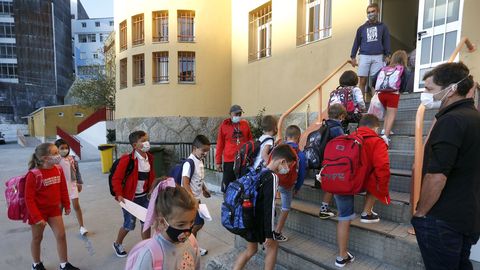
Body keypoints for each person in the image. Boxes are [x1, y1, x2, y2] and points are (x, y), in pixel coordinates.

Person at [412, 62, 480, 270]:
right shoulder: (474, 118)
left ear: (451, 89)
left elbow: (437, 176)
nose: (425, 94)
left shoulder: (450, 121)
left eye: (430, 89)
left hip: (442, 220)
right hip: (467, 216)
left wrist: (421, 213)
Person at [333, 114, 390, 268]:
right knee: (377, 177)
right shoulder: (377, 141)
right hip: (361, 182)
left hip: (340, 180)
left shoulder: (348, 138)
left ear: (359, 126)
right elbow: (383, 169)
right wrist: (383, 192)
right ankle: (367, 212)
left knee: (343, 217)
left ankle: (341, 256)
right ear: (376, 127)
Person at [233, 144, 297, 270]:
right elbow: (269, 207)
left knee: (250, 250)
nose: (288, 169)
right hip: (259, 221)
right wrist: (269, 234)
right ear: (282, 161)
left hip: (248, 217)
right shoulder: (272, 177)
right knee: (273, 246)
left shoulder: (259, 169)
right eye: (288, 165)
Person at [25, 143, 80, 270]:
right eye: (55, 153)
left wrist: (66, 205)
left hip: (54, 210)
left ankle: (64, 264)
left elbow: (62, 189)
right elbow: (29, 199)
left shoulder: (58, 169)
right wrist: (37, 217)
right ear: (45, 158)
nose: (58, 155)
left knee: (61, 235)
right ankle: (36, 264)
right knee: (37, 238)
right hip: (38, 213)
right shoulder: (33, 174)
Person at [128, 178, 200, 269]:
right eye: (181, 224)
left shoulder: (192, 242)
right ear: (162, 222)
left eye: (192, 222)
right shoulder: (149, 255)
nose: (188, 230)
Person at [112, 130, 155, 257]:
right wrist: (119, 194)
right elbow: (116, 178)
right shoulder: (127, 160)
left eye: (147, 139)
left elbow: (151, 176)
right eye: (143, 141)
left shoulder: (150, 158)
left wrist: (153, 190)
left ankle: (146, 247)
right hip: (129, 199)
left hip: (144, 196)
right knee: (129, 224)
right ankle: (117, 243)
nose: (146, 143)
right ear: (135, 145)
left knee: (146, 223)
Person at [273, 125, 307, 242]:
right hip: (288, 185)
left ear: (286, 137)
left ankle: (268, 227)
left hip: (274, 181)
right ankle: (277, 232)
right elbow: (302, 174)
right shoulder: (300, 154)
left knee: (271, 204)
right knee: (285, 207)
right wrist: (297, 187)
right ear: (299, 138)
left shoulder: (279, 149)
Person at [350, 3, 391, 99]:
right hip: (364, 56)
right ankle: (360, 103)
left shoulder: (383, 27)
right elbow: (356, 42)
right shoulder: (361, 28)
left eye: (373, 11)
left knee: (376, 81)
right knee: (362, 80)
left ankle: (375, 103)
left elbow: (386, 41)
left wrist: (388, 54)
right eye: (368, 12)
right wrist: (353, 56)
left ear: (378, 12)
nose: (370, 14)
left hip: (378, 56)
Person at [181, 135, 212, 256]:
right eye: (203, 150)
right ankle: (188, 247)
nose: (205, 153)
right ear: (195, 148)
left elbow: (198, 177)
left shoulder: (199, 161)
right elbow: (185, 182)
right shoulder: (189, 163)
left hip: (195, 199)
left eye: (207, 151)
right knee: (198, 224)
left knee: (195, 224)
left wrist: (204, 189)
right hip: (188, 201)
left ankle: (192, 247)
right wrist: (192, 199)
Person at [318, 103, 347, 219]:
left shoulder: (325, 125)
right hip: (334, 161)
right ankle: (325, 210)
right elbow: (342, 144)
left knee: (330, 186)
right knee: (333, 185)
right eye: (343, 117)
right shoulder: (336, 128)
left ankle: (324, 208)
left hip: (325, 160)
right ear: (341, 116)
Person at [55, 139, 88, 236]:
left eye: (66, 148)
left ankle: (82, 227)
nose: (65, 150)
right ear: (57, 149)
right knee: (60, 208)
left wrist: (79, 183)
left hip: (72, 185)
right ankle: (59, 226)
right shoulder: (55, 160)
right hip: (60, 187)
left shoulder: (72, 158)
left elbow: (77, 172)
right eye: (62, 148)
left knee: (76, 206)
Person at [216, 105, 253, 192]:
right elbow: (220, 144)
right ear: (230, 114)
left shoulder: (245, 124)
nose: (238, 116)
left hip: (243, 159)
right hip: (229, 160)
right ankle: (227, 203)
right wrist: (218, 162)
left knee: (242, 184)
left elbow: (250, 142)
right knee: (228, 184)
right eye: (236, 114)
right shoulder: (224, 126)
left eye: (240, 114)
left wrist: (251, 156)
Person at [375, 50, 409, 146]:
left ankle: (384, 130)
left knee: (387, 112)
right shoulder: (402, 68)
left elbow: (374, 78)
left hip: (381, 94)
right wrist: (401, 90)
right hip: (393, 94)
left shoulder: (385, 68)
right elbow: (405, 81)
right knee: (391, 114)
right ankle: (385, 136)